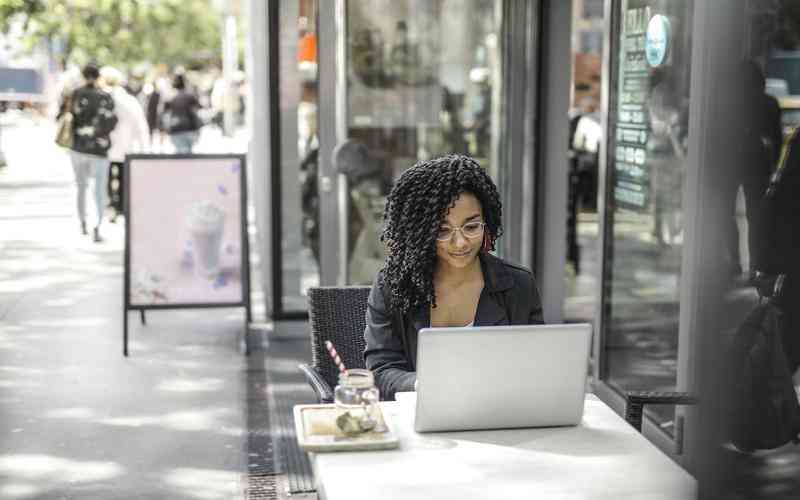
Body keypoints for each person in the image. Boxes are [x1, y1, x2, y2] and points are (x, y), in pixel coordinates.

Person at [363, 154, 544, 400]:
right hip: (419, 417)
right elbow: (382, 370)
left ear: (486, 222)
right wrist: (426, 384)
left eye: (471, 227)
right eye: (442, 230)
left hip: (499, 414)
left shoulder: (518, 286)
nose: (459, 243)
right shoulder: (393, 285)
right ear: (421, 233)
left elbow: (535, 367)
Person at [64, 63, 118, 242]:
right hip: (99, 149)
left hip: (78, 147)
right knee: (99, 189)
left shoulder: (76, 94)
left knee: (81, 187)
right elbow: (112, 122)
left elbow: (67, 116)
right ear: (98, 76)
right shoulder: (106, 96)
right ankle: (98, 225)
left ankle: (82, 222)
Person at [100, 66, 149, 222]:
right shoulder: (129, 100)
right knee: (123, 177)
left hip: (105, 147)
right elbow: (140, 125)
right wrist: (143, 147)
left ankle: (110, 206)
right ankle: (120, 205)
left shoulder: (101, 98)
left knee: (106, 177)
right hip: (125, 146)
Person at [162, 74, 202, 153]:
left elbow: (165, 114)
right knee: (188, 154)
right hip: (189, 129)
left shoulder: (170, 96)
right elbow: (196, 112)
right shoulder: (190, 96)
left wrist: (164, 130)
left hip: (176, 129)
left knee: (180, 154)